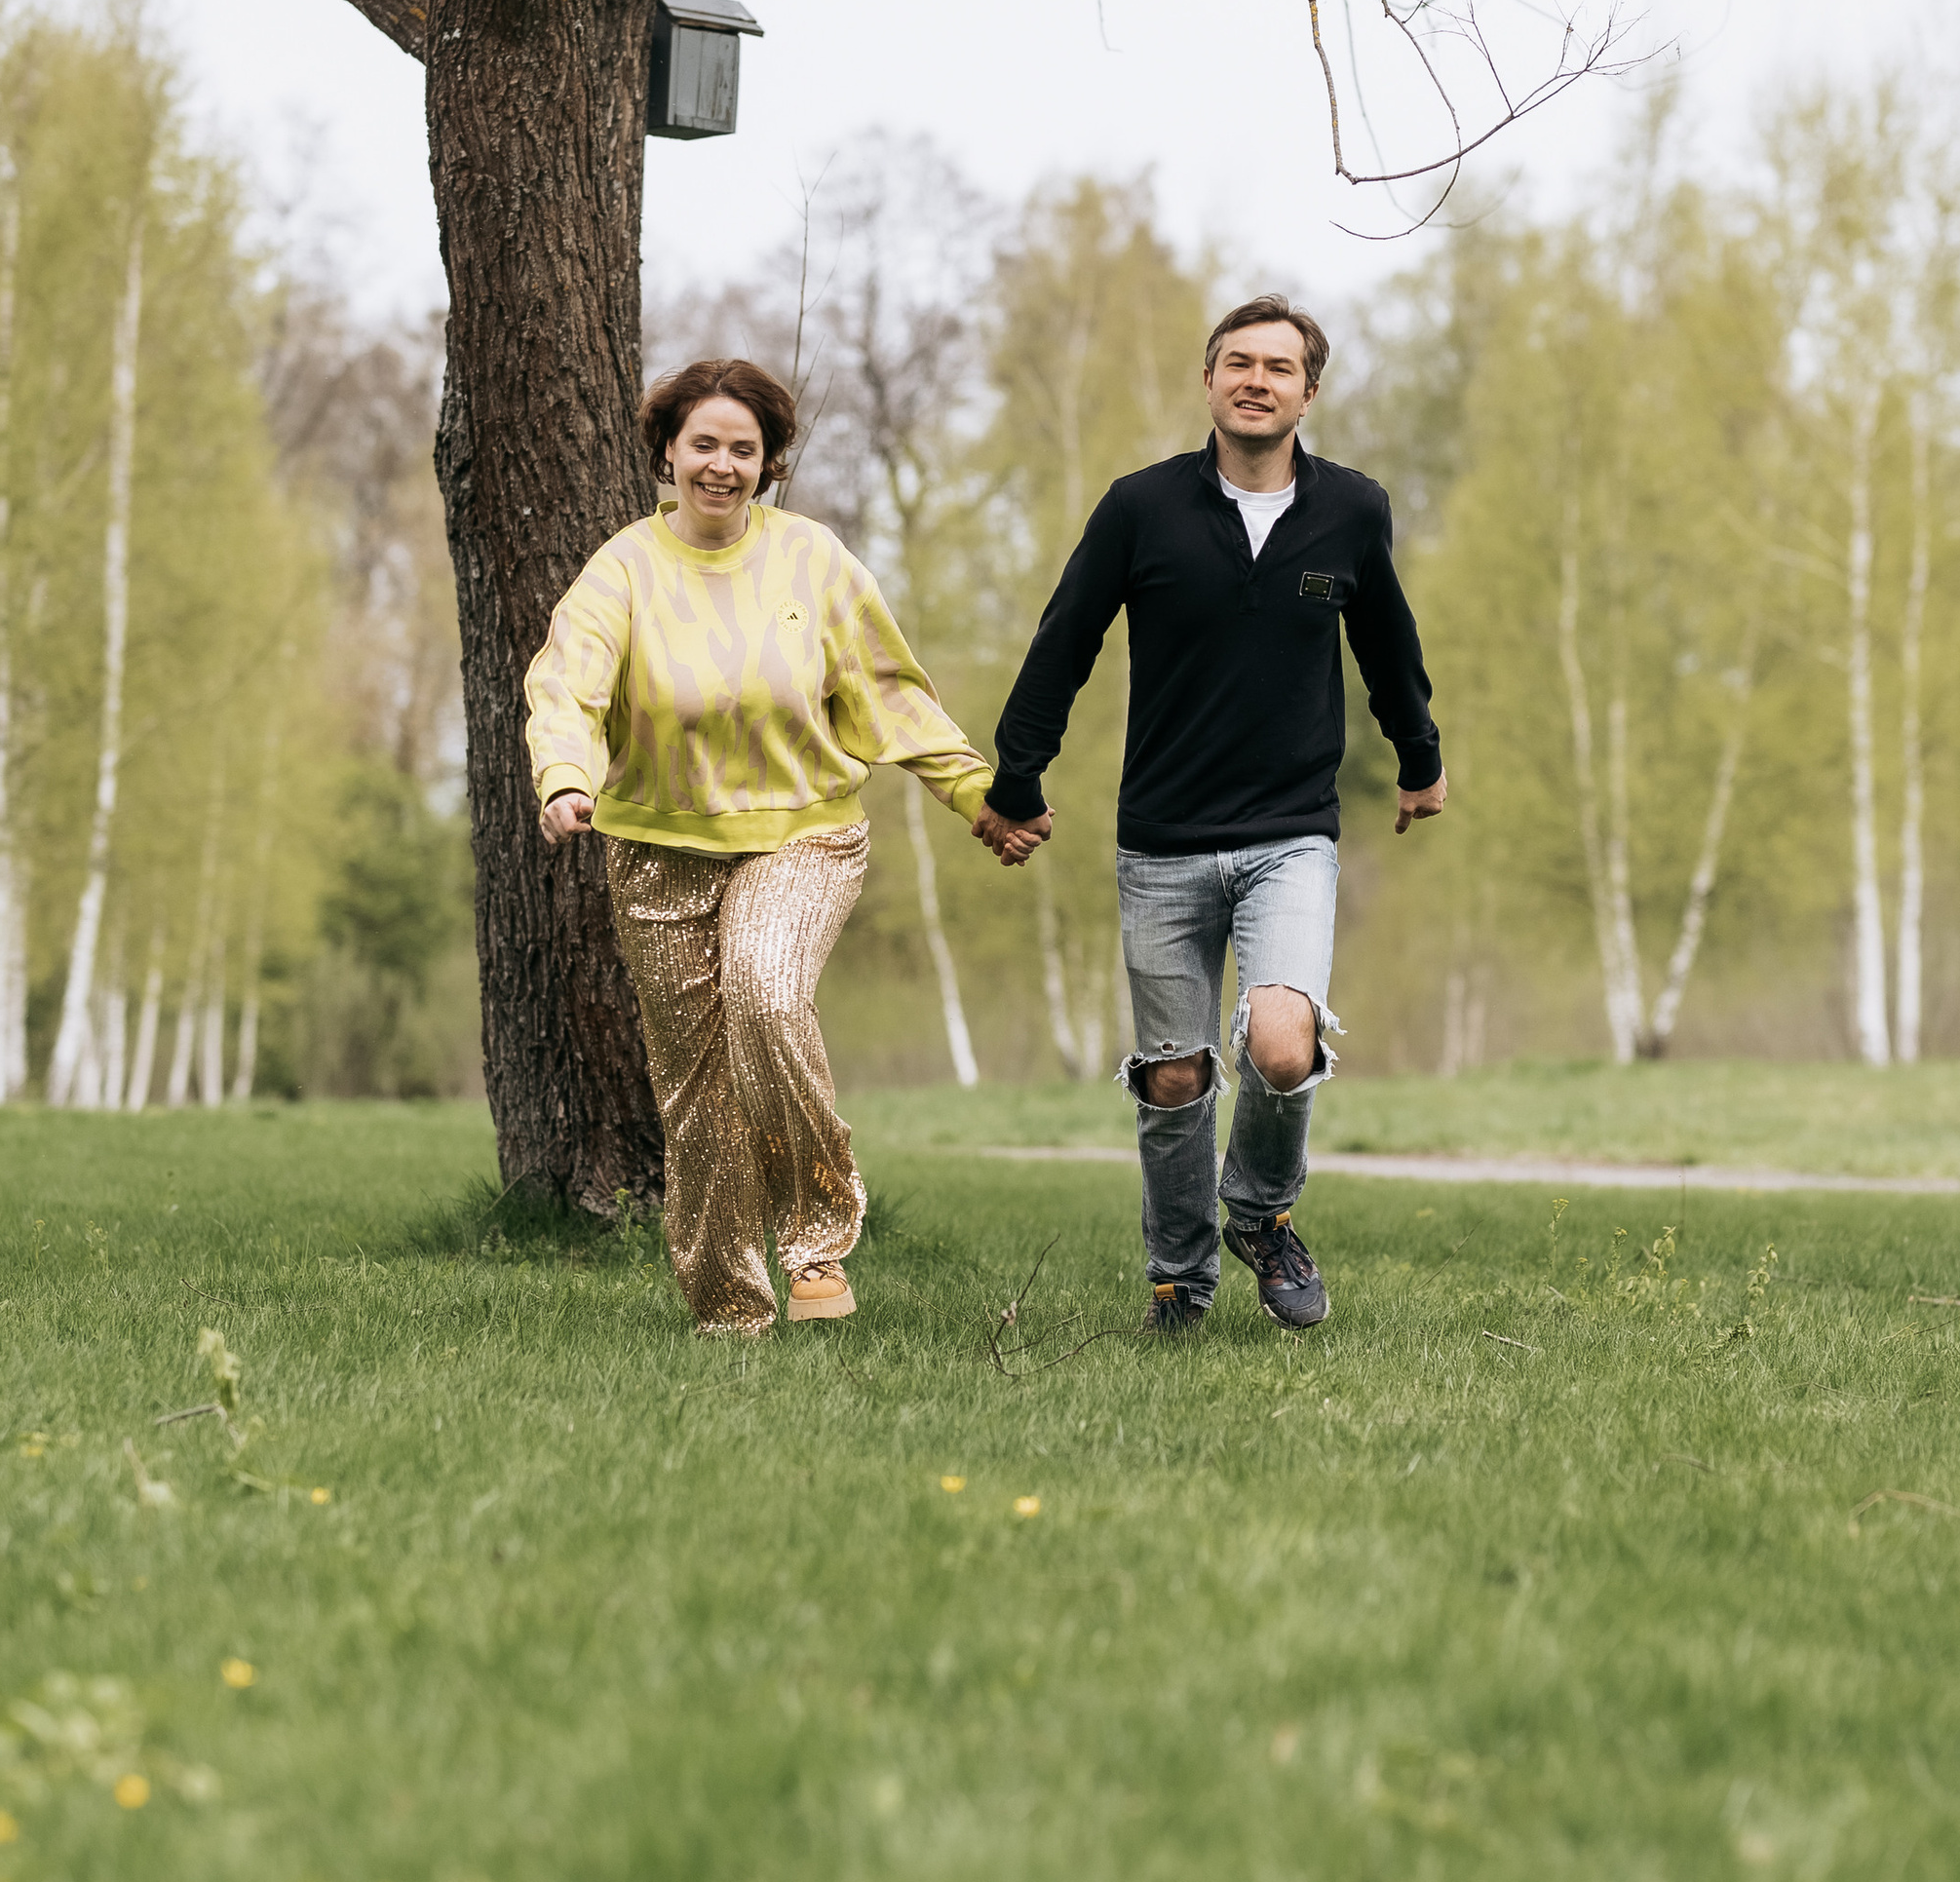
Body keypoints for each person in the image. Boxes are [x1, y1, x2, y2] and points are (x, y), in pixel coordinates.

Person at [524, 357, 1020, 1338]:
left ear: (769, 464)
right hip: (657, 850)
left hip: (803, 834)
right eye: (703, 444)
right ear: (668, 453)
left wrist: (975, 793)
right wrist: (565, 778)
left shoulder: (813, 561)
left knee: (764, 990)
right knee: (696, 1085)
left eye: (742, 449)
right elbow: (567, 684)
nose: (721, 464)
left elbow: (887, 692)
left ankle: (817, 1238)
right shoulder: (623, 567)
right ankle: (727, 1310)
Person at [979, 295, 1444, 1332]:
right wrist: (1017, 778)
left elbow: (1388, 647)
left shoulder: (1351, 513)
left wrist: (1420, 759)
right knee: (1176, 1076)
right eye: (1238, 362)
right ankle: (1177, 1282)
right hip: (1162, 840)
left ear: (1308, 393)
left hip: (1291, 835)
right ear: (1208, 380)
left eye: (1279, 368)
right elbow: (1064, 644)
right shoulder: (1139, 510)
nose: (1256, 380)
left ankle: (1262, 1217)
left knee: (1281, 1045)